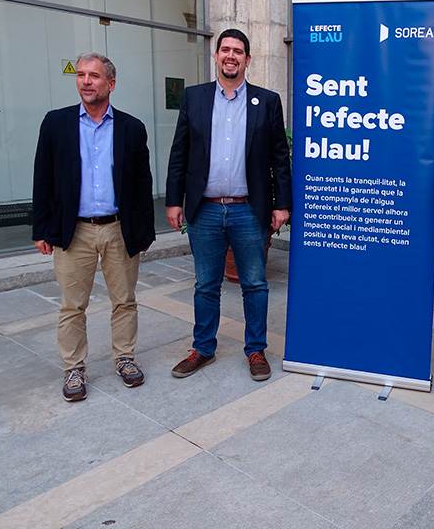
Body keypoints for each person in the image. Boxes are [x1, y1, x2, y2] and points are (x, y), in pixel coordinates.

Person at [166, 28, 291, 382]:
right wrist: (174, 201)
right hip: (203, 210)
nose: (231, 56)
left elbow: (279, 158)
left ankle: (255, 350)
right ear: (217, 56)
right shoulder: (195, 98)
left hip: (248, 210)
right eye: (225, 50)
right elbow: (180, 154)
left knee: (255, 283)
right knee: (206, 284)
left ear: (247, 60)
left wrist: (282, 205)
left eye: (238, 51)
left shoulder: (267, 101)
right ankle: (203, 347)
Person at [32, 52, 156, 402]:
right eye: (81, 75)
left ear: (111, 84)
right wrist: (41, 228)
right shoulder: (56, 124)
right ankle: (74, 368)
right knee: (72, 305)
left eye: (94, 76)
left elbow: (142, 183)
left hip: (119, 228)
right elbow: (43, 177)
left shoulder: (132, 128)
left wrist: (145, 229)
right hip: (75, 231)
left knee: (125, 300)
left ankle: (125, 359)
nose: (86, 81)